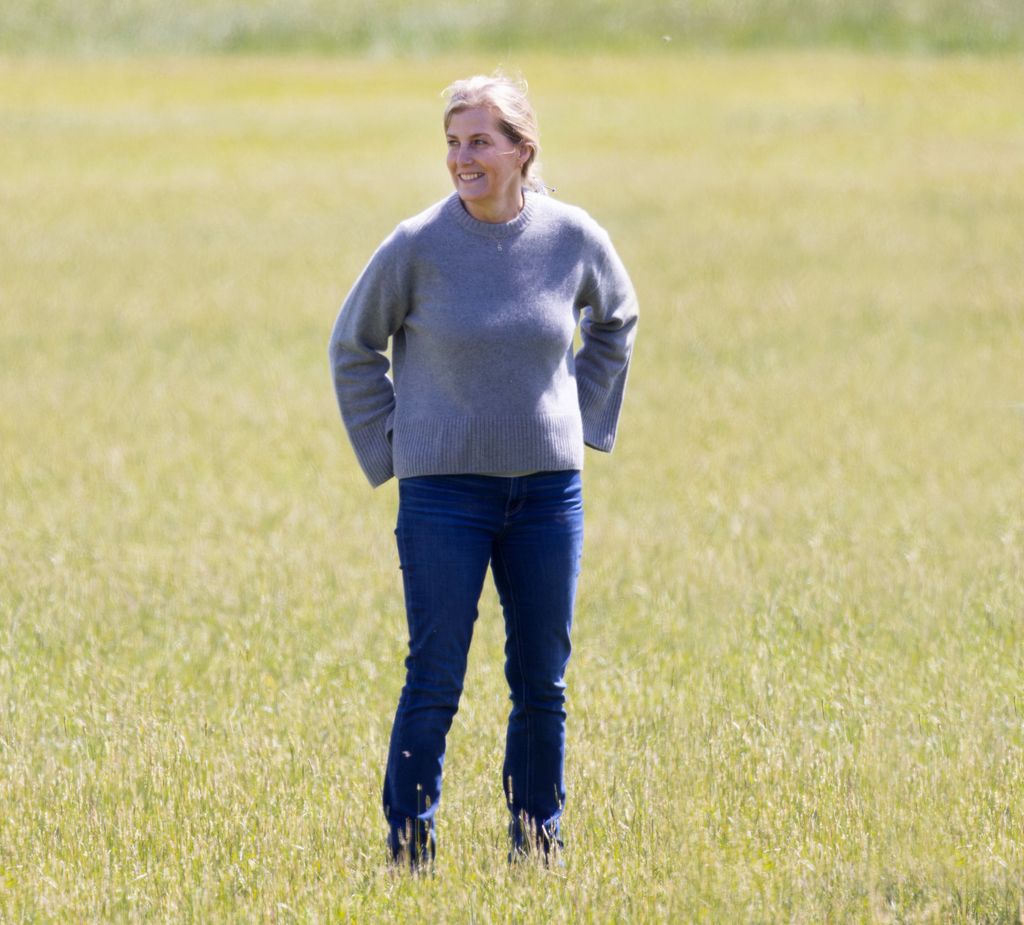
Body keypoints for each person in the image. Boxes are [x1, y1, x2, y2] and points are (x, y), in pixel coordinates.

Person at [328, 72, 638, 868]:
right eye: (453, 143)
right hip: (443, 499)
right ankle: (409, 847)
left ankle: (538, 843)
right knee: (434, 675)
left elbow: (618, 317)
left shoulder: (571, 236)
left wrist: (580, 417)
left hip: (546, 495)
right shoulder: (417, 245)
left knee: (543, 682)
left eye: (478, 142)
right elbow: (352, 346)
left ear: (521, 150)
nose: (461, 158)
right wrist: (393, 447)